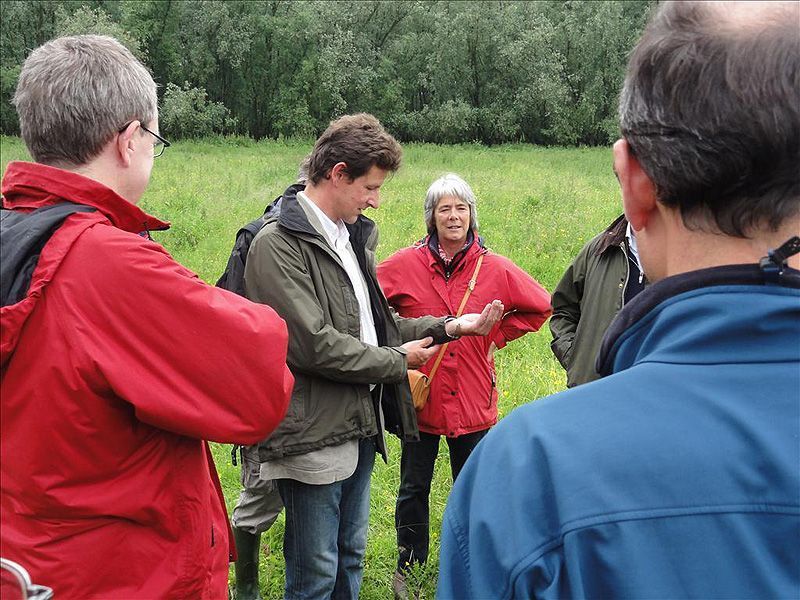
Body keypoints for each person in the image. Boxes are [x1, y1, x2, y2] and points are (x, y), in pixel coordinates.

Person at [437, 2, 800, 598]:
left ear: (634, 183)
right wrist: (575, 351)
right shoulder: (595, 254)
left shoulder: (531, 476)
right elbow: (560, 304)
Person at [0, 35, 294, 599]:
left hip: (32, 563)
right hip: (118, 575)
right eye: (154, 141)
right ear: (129, 139)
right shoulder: (106, 265)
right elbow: (257, 386)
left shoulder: (18, 237)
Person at [243, 113, 504, 599]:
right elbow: (314, 344)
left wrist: (450, 327)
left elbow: (374, 327)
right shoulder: (277, 245)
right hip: (312, 434)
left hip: (358, 423)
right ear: (337, 173)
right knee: (316, 572)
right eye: (370, 186)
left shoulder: (351, 237)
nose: (375, 200)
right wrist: (395, 362)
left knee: (350, 557)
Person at [376, 173, 551, 598]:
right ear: (430, 218)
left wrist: (494, 336)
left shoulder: (495, 267)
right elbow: (368, 310)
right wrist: (397, 342)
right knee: (413, 486)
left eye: (461, 208)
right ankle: (410, 569)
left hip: (473, 398)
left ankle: (471, 568)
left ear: (472, 215)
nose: (453, 217)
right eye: (444, 209)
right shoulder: (404, 264)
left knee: (472, 488)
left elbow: (541, 306)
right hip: (422, 398)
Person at [229, 156, 310, 600]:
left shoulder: (344, 234)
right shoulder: (259, 235)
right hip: (269, 386)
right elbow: (233, 310)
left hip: (320, 390)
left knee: (308, 497)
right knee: (261, 491)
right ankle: (247, 587)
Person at [549, 214, 647, 387]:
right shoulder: (598, 250)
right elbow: (563, 309)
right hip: (590, 390)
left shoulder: (687, 260)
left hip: (650, 397)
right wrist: (575, 359)